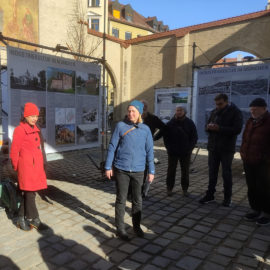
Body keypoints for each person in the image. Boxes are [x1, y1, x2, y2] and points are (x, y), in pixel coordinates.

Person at [105, 100, 155, 241]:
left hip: (139, 170)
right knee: (121, 199)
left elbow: (150, 151)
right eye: (129, 111)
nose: (130, 113)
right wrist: (108, 166)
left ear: (139, 112)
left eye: (133, 111)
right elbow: (112, 146)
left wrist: (151, 170)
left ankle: (136, 226)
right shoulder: (120, 126)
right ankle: (120, 228)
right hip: (122, 169)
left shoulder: (145, 130)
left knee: (137, 200)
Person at [199, 93, 243, 207]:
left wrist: (220, 128)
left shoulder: (235, 112)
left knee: (226, 173)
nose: (218, 106)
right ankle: (210, 195)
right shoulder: (214, 112)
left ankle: (227, 197)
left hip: (226, 149)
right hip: (213, 147)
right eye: (216, 104)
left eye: (220, 104)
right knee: (212, 172)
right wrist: (208, 127)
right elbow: (207, 125)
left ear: (227, 102)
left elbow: (237, 129)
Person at [10, 102, 47, 231]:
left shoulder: (35, 129)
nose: (34, 118)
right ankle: (35, 219)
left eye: (36, 116)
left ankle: (21, 218)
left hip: (35, 168)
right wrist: (17, 168)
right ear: (25, 116)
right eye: (31, 116)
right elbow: (14, 151)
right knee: (30, 194)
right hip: (25, 168)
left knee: (28, 194)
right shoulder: (20, 130)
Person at [240, 98, 270, 226]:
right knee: (252, 187)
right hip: (248, 160)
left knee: (265, 188)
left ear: (264, 109)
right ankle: (255, 209)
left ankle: (267, 213)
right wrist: (242, 152)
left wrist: (266, 158)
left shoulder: (268, 122)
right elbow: (245, 138)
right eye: (251, 109)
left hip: (264, 163)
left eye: (255, 109)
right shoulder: (250, 121)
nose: (253, 111)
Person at [163, 106, 198, 197]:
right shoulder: (170, 123)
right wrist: (169, 148)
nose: (178, 112)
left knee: (185, 171)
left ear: (184, 112)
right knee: (171, 171)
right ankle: (169, 188)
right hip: (173, 152)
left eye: (180, 110)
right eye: (177, 110)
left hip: (185, 152)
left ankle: (185, 189)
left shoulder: (190, 123)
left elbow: (194, 137)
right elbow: (166, 137)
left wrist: (189, 148)